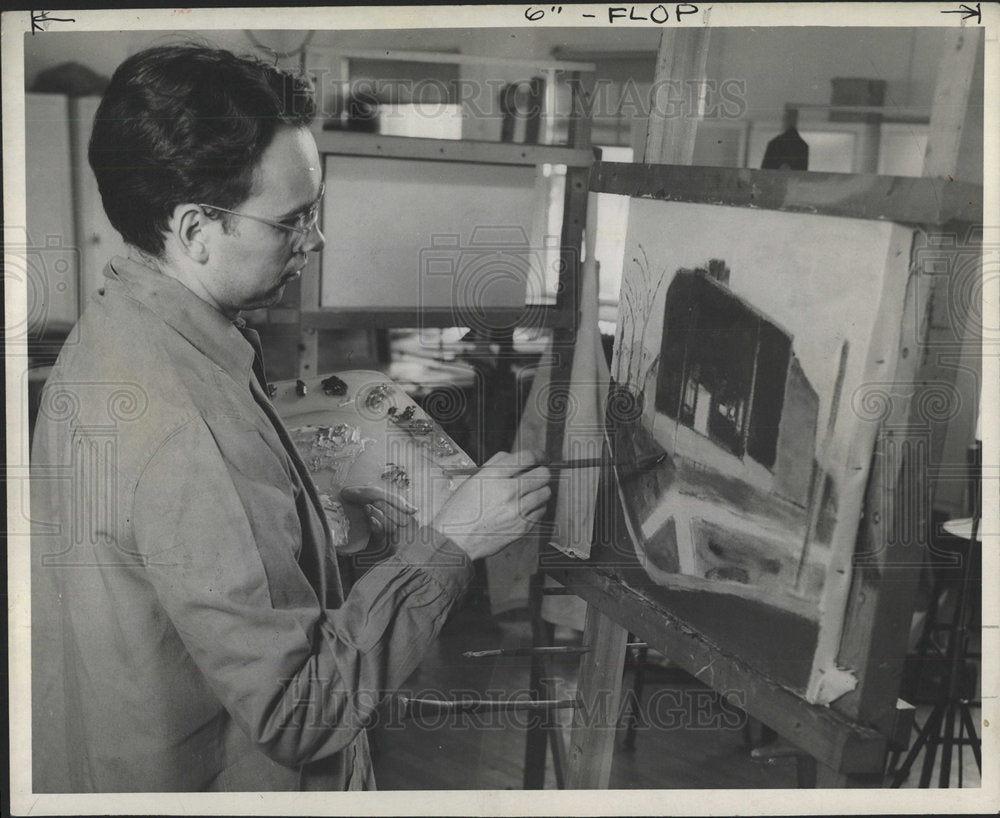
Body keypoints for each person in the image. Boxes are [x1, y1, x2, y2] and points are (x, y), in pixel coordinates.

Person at [29, 44, 551, 793]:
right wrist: (453, 542)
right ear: (196, 228)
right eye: (291, 221)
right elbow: (300, 711)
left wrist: (307, 529)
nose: (316, 240)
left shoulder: (116, 334)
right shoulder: (189, 428)